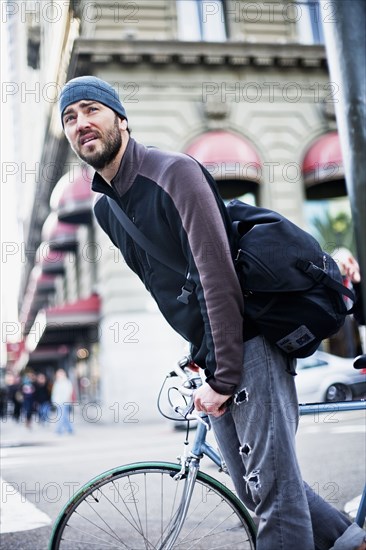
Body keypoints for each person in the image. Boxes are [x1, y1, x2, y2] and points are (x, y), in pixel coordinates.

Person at [59, 76, 366, 550]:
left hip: (252, 340)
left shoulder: (174, 172)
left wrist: (224, 375)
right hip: (216, 351)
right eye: (69, 118)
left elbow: (216, 275)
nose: (81, 124)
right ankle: (351, 541)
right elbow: (171, 289)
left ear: (120, 117)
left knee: (274, 497)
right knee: (253, 487)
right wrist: (199, 355)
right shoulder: (107, 210)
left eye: (90, 110)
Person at [51, 369, 74, 435]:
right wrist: (54, 401)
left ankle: (59, 429)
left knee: (61, 416)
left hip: (64, 402)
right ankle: (70, 429)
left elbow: (68, 392)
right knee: (64, 416)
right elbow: (54, 393)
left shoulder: (67, 382)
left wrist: (65, 400)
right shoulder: (57, 382)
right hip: (58, 402)